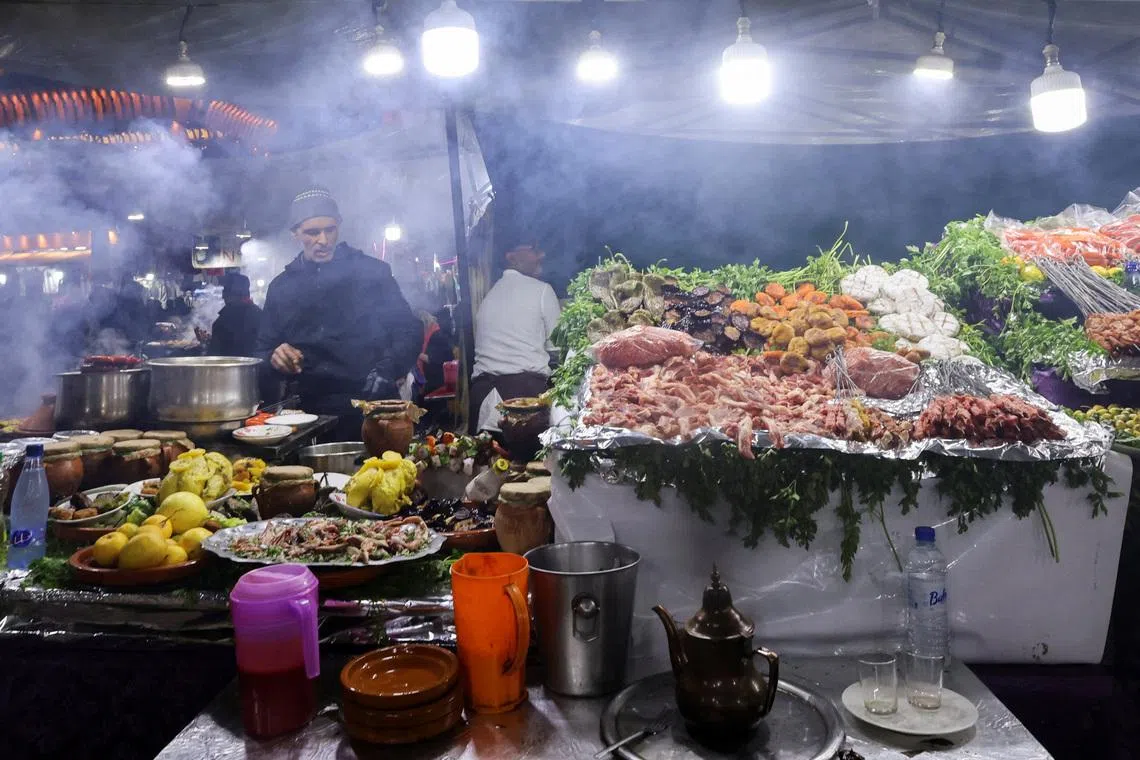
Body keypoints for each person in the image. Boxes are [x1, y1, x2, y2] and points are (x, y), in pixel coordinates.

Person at [255, 187, 422, 440]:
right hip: (310, 414)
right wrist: (274, 358)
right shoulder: (282, 288)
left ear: (338, 227)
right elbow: (261, 352)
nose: (323, 240)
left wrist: (389, 367)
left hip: (373, 407)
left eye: (329, 230)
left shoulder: (372, 272)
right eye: (312, 232)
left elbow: (409, 330)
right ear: (295, 234)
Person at [470, 244, 561, 433]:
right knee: (530, 462)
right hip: (524, 402)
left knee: (484, 461)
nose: (541, 254)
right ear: (511, 257)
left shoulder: (488, 297)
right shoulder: (542, 290)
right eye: (533, 250)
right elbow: (557, 348)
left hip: (482, 400)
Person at [208, 273, 262, 357]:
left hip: (230, 368)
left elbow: (214, 356)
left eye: (225, 291)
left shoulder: (222, 322)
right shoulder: (260, 315)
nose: (223, 296)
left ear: (229, 295)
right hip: (256, 368)